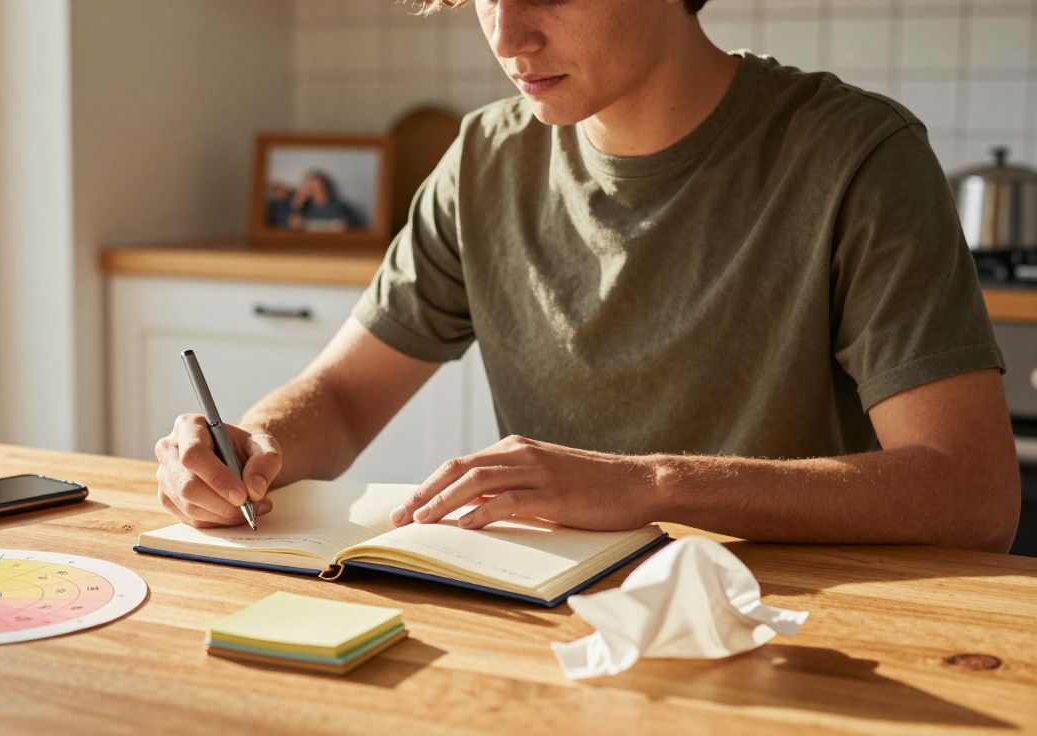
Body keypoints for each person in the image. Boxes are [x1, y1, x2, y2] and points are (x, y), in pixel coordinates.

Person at [155, 0, 1020, 553]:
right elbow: (344, 399)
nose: (507, 37)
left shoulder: (858, 158)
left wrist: (646, 487)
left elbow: (972, 494)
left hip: (798, 635)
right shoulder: (484, 160)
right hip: (562, 628)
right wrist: (251, 447)